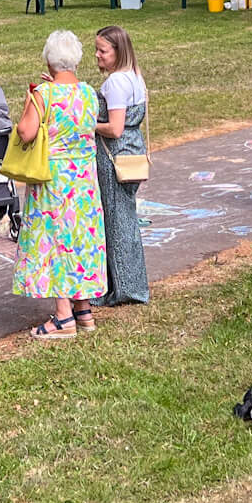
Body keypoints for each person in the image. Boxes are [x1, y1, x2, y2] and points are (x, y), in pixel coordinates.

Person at [12, 30, 107, 340]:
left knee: (53, 242)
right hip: (84, 179)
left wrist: (29, 102)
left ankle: (63, 317)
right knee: (79, 239)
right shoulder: (89, 93)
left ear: (49, 61)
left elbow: (26, 132)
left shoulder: (44, 93)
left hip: (53, 179)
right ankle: (84, 309)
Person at [91, 25, 151, 307]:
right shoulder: (135, 77)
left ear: (118, 51)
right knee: (125, 219)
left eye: (102, 50)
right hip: (132, 154)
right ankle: (129, 283)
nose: (97, 56)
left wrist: (86, 124)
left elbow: (114, 128)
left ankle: (124, 287)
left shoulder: (115, 82)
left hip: (114, 158)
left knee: (116, 224)